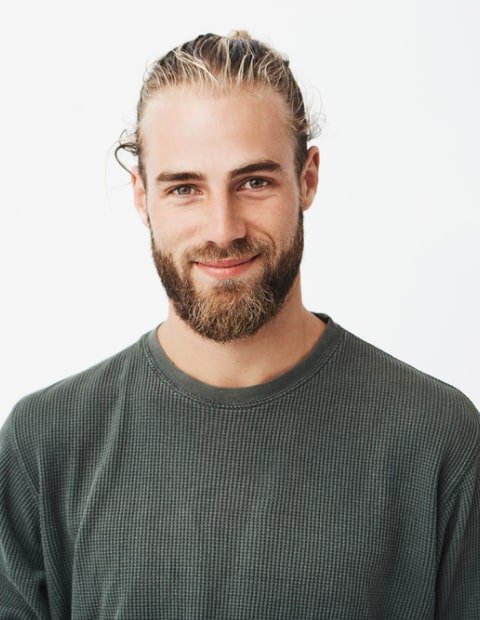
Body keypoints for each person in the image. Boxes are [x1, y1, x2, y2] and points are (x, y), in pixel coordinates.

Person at [1, 30, 479, 620]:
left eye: (254, 182)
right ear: (142, 196)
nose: (223, 229)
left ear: (307, 179)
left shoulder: (437, 439)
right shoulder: (43, 445)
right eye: (185, 188)